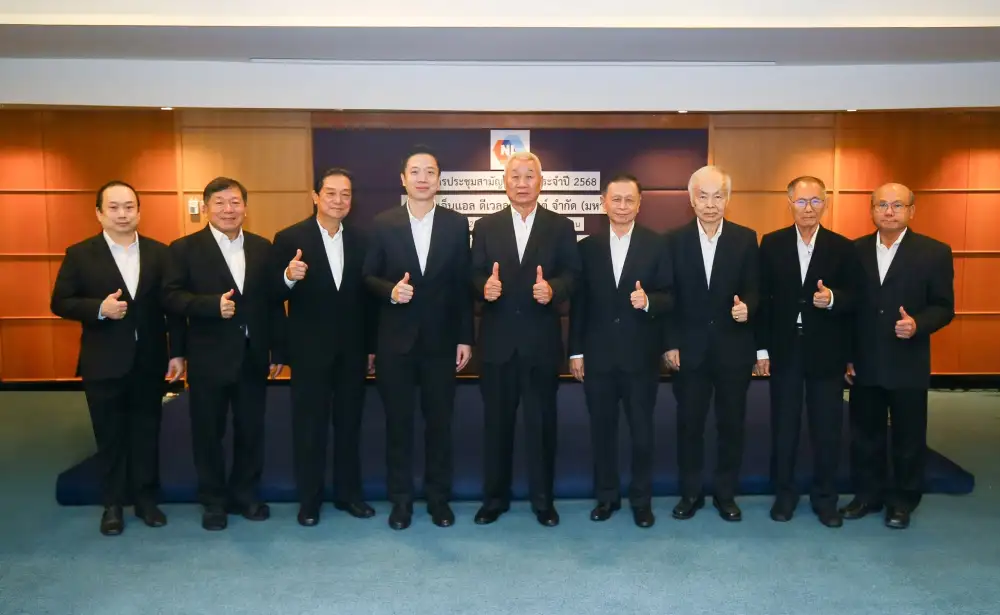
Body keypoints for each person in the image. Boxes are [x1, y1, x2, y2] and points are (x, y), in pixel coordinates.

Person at [50, 180, 185, 536]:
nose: (122, 214)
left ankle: (145, 500)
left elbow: (172, 307)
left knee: (146, 431)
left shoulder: (160, 253)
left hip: (150, 360)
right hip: (103, 361)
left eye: (129, 207)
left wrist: (177, 352)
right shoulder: (80, 254)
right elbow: (60, 301)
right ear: (99, 213)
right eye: (114, 207)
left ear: (139, 211)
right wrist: (99, 308)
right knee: (110, 435)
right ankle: (112, 505)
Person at [163, 177, 287, 531]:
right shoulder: (184, 249)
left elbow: (273, 302)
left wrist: (278, 348)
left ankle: (246, 494)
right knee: (208, 431)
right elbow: (171, 299)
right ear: (206, 208)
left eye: (235, 202)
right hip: (208, 357)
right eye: (219, 203)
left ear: (245, 208)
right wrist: (206, 309)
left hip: (252, 355)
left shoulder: (262, 247)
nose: (228, 209)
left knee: (251, 429)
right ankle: (213, 500)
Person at [363, 146, 473, 530]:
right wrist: (391, 291)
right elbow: (368, 277)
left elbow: (462, 286)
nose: (422, 178)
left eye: (430, 172)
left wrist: (465, 337)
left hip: (441, 344)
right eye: (415, 171)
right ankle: (401, 501)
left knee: (439, 425)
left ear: (439, 180)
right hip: (396, 343)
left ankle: (438, 500)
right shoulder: (382, 223)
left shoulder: (456, 224)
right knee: (399, 425)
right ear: (403, 179)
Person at [470, 150, 581, 527]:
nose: (522, 183)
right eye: (515, 176)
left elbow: (574, 274)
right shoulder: (485, 226)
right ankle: (493, 500)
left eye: (528, 176)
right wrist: (483, 287)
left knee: (542, 428)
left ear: (541, 182)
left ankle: (543, 502)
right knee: (495, 428)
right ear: (504, 183)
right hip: (498, 346)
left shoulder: (560, 226)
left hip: (540, 345)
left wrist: (554, 289)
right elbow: (472, 274)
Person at [841, 182, 954, 529]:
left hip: (908, 360)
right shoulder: (854, 250)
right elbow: (849, 308)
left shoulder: (934, 252)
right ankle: (867, 495)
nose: (889, 212)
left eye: (897, 205)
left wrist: (918, 324)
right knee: (865, 434)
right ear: (872, 210)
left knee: (908, 437)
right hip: (865, 360)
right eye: (882, 205)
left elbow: (944, 307)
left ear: (911, 211)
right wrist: (847, 355)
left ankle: (903, 501)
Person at [273, 168, 377, 527]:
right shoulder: (289, 238)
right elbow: (271, 295)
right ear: (315, 196)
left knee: (349, 426)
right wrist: (288, 277)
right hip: (309, 352)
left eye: (345, 194)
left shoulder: (363, 240)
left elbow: (369, 300)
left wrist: (371, 347)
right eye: (330, 193)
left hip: (353, 351)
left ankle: (349, 495)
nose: (338, 200)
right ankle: (309, 501)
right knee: (309, 428)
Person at [569, 173, 673, 528]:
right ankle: (606, 497)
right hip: (598, 357)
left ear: (639, 204)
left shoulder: (657, 245)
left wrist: (649, 301)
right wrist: (576, 352)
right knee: (602, 432)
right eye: (617, 199)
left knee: (642, 433)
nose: (623, 206)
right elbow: (579, 305)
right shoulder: (587, 248)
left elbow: (670, 295)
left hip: (640, 357)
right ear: (604, 203)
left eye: (630, 200)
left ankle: (641, 501)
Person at [755, 176, 859, 527]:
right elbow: (762, 299)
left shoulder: (842, 247)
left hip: (826, 351)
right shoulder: (772, 243)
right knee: (784, 427)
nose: (808, 208)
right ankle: (784, 495)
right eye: (801, 201)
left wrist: (832, 299)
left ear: (825, 204)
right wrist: (761, 349)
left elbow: (855, 298)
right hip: (785, 348)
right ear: (789, 204)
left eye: (815, 201)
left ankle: (825, 498)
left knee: (827, 428)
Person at [663, 165, 759, 522]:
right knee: (690, 425)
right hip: (689, 351)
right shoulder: (673, 240)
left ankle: (725, 494)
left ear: (728, 199)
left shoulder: (745, 238)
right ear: (692, 200)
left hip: (733, 349)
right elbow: (667, 296)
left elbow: (755, 289)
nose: (710, 204)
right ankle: (690, 494)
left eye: (718, 196)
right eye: (703, 196)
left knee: (731, 425)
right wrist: (670, 343)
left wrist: (748, 307)